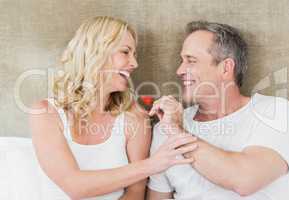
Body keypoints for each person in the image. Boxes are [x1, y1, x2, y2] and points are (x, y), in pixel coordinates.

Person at [29, 16, 198, 200]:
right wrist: (153, 164)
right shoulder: (46, 113)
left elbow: (135, 193)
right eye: (125, 52)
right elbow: (74, 186)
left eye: (134, 54)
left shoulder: (135, 117)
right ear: (95, 52)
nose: (134, 63)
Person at [147, 21, 289, 200]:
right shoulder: (164, 128)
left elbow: (245, 180)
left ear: (226, 68)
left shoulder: (275, 112)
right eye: (182, 61)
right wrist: (171, 128)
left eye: (191, 60)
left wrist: (176, 131)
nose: (179, 70)